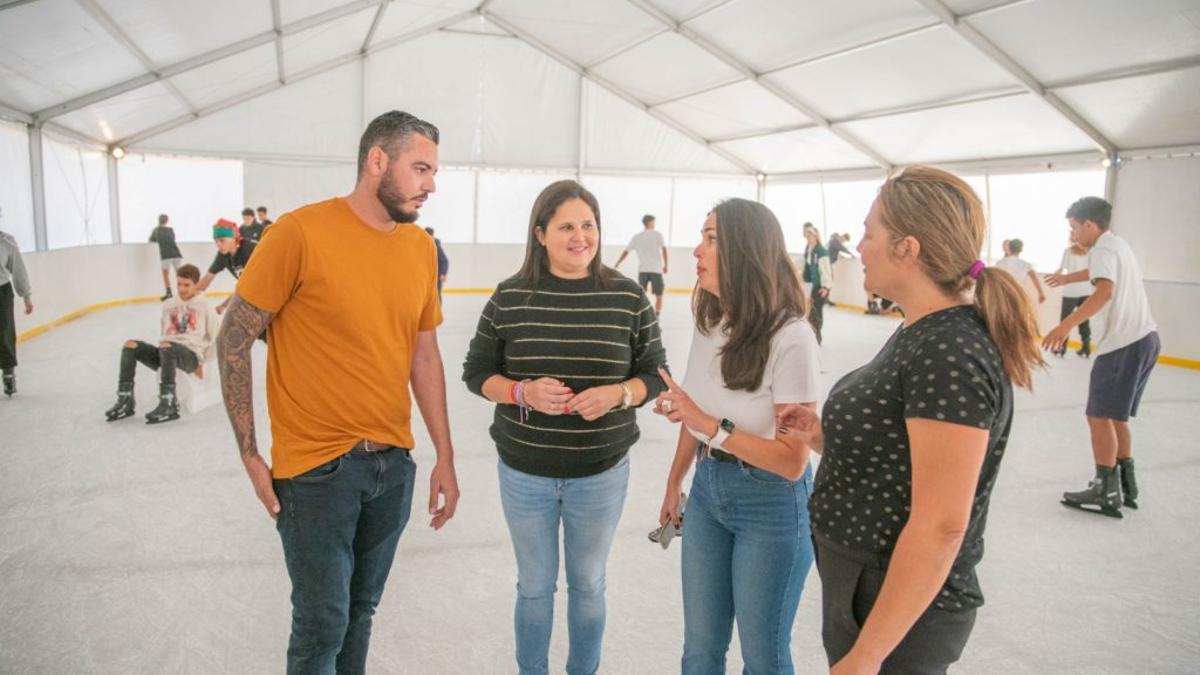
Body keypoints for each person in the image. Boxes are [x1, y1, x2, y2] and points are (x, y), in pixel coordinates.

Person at [215, 110, 461, 673]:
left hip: (391, 468)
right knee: (321, 625)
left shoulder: (420, 249)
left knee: (359, 612)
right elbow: (233, 339)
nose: (431, 185)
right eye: (420, 168)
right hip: (316, 471)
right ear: (377, 161)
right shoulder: (299, 233)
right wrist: (251, 454)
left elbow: (424, 355)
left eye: (434, 171)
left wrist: (444, 454)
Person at [779, 166, 1043, 674]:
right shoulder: (923, 331)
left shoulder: (949, 351)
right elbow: (896, 459)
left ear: (908, 248)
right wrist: (821, 435)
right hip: (866, 585)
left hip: (899, 606)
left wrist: (867, 657)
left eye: (869, 233)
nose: (860, 246)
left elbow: (942, 524)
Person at [462, 180, 667, 675]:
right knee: (534, 586)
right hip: (525, 472)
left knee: (589, 584)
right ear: (540, 234)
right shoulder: (511, 297)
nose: (581, 236)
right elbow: (476, 372)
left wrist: (619, 395)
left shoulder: (627, 298)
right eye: (567, 226)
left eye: (589, 225)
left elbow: (655, 376)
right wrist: (520, 392)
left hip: (599, 473)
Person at [652, 198, 819, 674]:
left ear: (744, 251)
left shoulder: (792, 338)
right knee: (700, 650)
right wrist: (674, 482)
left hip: (771, 503)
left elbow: (791, 460)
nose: (696, 251)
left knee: (763, 658)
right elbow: (695, 410)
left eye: (710, 239)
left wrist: (711, 427)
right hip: (707, 494)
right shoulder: (711, 320)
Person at [1044, 196, 1159, 517]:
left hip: (1123, 344)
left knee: (1098, 416)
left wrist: (1066, 325)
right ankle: (1125, 483)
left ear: (1089, 224)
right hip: (1146, 338)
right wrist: (1068, 278)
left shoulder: (1104, 249)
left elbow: (1104, 290)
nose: (1073, 234)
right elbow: (1100, 274)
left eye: (1074, 227)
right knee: (1116, 417)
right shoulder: (1117, 245)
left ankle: (1105, 489)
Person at [104, 264, 216, 424]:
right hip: (166, 352)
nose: (182, 289)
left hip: (189, 356)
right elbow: (165, 333)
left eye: (187, 285)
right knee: (130, 345)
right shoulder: (168, 304)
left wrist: (201, 361)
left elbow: (217, 338)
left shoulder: (204, 306)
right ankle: (125, 401)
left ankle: (169, 403)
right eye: (179, 284)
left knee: (166, 347)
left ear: (196, 284)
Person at [0, 212, 33, 397]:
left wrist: (26, 295)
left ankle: (8, 373)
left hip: (1, 292)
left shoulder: (6, 242)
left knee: (4, 333)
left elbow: (18, 269)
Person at [196, 219, 256, 315]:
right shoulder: (223, 255)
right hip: (251, 293)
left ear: (233, 238)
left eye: (222, 240)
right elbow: (207, 278)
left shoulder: (248, 248)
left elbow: (247, 286)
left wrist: (224, 305)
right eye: (216, 241)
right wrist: (188, 298)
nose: (218, 244)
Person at [614, 213, 669, 314]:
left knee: (641, 295)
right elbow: (664, 249)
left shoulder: (637, 237)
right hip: (656, 270)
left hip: (643, 270)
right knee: (659, 295)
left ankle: (643, 314)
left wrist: (618, 263)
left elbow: (626, 251)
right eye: (654, 222)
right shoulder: (657, 234)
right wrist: (666, 265)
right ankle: (657, 315)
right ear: (650, 222)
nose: (654, 224)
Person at [1052, 237, 1092, 357]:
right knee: (1084, 319)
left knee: (1065, 321)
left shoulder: (1068, 251)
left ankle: (1061, 348)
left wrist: (1055, 275)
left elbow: (1061, 269)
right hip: (1086, 290)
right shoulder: (1091, 252)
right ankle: (1086, 347)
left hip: (1071, 291)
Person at [803, 224, 833, 344]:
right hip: (813, 285)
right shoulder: (811, 251)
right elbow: (809, 268)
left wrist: (826, 287)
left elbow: (826, 271)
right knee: (811, 312)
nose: (808, 238)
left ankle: (817, 336)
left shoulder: (821, 252)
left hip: (821, 286)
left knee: (817, 311)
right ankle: (813, 334)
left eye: (810, 236)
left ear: (816, 237)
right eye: (807, 236)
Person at [993, 238, 1045, 305]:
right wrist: (1041, 293)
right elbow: (1035, 279)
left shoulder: (999, 263)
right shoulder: (1026, 265)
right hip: (1018, 295)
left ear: (1010, 248)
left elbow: (994, 279)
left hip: (1003, 294)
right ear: (1021, 250)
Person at [148, 213, 184, 300]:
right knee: (179, 274)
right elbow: (172, 239)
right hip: (176, 253)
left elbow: (151, 240)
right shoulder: (171, 230)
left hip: (166, 255)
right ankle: (182, 292)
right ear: (167, 221)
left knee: (165, 275)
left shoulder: (156, 230)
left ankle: (169, 293)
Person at [424, 226, 449, 300]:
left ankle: (437, 311)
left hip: (436, 276)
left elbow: (444, 261)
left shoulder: (436, 246)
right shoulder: (422, 245)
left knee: (436, 295)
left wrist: (443, 274)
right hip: (425, 276)